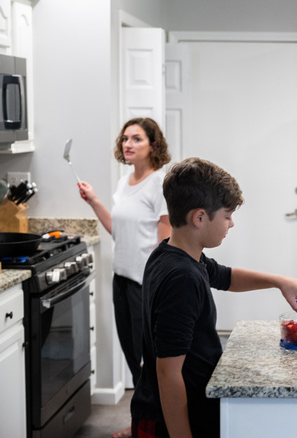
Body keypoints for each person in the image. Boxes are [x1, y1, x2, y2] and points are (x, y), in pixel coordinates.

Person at [130, 157, 297, 438]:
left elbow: (224, 277)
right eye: (227, 216)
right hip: (171, 419)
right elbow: (168, 373)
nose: (232, 223)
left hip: (185, 405)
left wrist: (280, 282)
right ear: (200, 217)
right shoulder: (182, 278)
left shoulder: (172, 253)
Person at [78, 117, 171, 438]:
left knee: (150, 361)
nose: (127, 144)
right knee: (135, 359)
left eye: (136, 139)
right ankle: (145, 424)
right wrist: (94, 201)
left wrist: (159, 284)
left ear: (153, 145)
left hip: (146, 284)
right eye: (125, 139)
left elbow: (165, 240)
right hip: (122, 278)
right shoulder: (124, 182)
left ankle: (151, 426)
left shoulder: (159, 184)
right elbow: (119, 231)